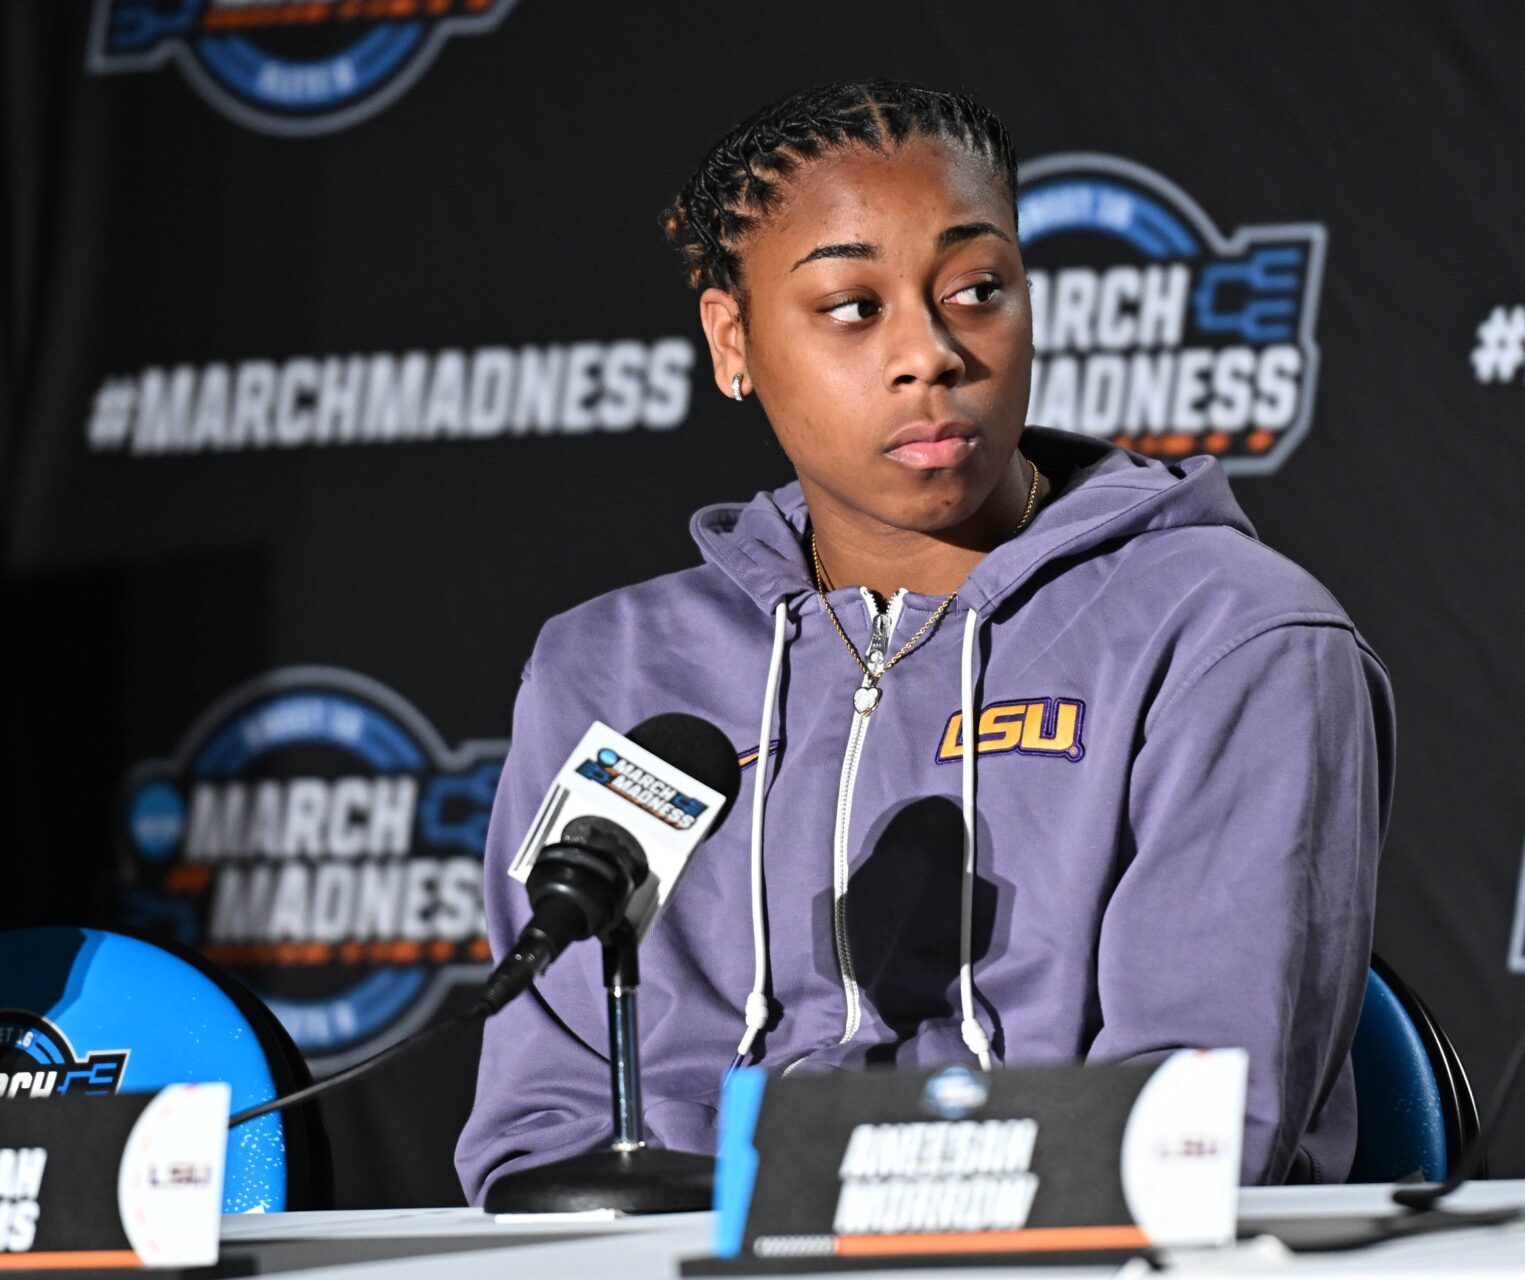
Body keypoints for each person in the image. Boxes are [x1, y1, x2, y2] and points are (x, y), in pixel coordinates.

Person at [455, 80, 1392, 1199]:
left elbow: (1191, 1127)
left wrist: (812, 1203)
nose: (931, 353)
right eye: (854, 307)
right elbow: (542, 1126)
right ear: (732, 339)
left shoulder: (1234, 635)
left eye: (975, 289)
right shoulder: (604, 667)